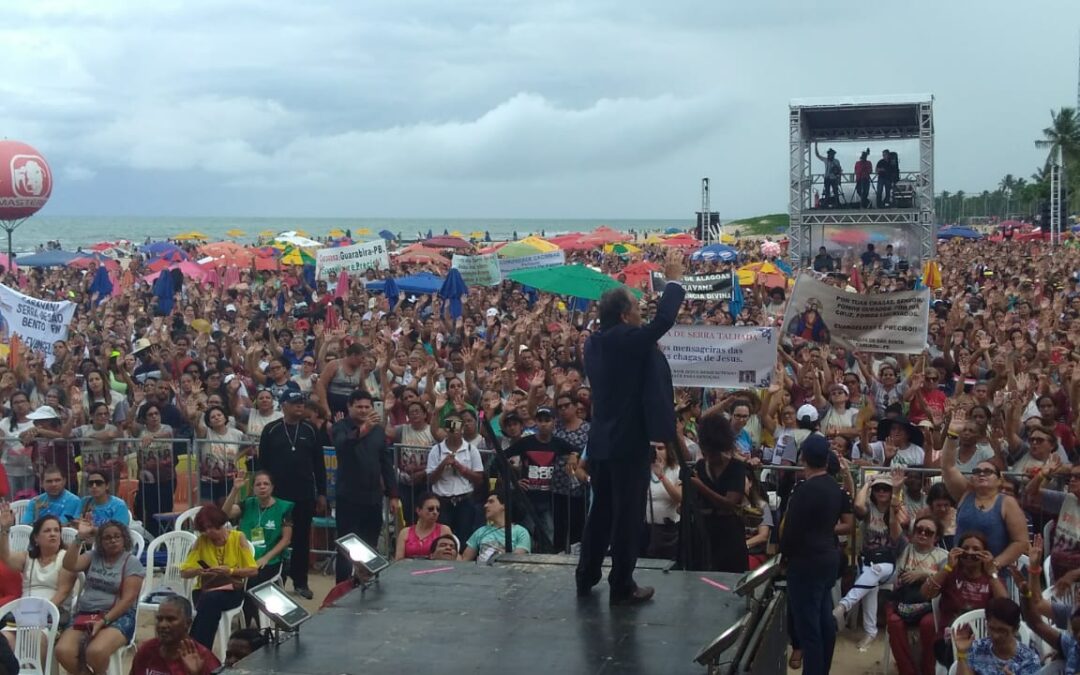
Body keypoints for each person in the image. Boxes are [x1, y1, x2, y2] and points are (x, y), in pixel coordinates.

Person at [576, 251, 684, 606]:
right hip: (628, 443)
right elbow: (665, 319)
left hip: (602, 442)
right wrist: (673, 280)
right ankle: (622, 582)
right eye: (637, 309)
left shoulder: (594, 343)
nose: (642, 314)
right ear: (624, 316)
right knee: (627, 516)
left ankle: (586, 573)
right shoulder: (625, 340)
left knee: (601, 512)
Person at [780, 435, 853, 675]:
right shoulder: (834, 487)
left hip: (805, 562)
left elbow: (791, 531)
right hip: (828, 557)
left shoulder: (805, 490)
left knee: (809, 629)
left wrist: (784, 558)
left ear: (804, 458)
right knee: (823, 622)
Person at [255, 389, 325, 600]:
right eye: (294, 402)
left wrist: (322, 493)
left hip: (304, 495)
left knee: (302, 539)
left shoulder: (311, 429)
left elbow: (319, 465)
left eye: (302, 402)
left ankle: (300, 582)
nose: (300, 406)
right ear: (283, 405)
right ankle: (274, 579)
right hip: (278, 496)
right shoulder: (271, 430)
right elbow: (263, 465)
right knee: (275, 537)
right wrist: (262, 491)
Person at [55, 519, 144, 675]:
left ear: (125, 539)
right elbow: (69, 565)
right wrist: (79, 538)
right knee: (63, 651)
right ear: (100, 542)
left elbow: (128, 600)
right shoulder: (93, 556)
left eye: (117, 536)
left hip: (116, 616)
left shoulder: (132, 562)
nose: (113, 540)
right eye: (107, 538)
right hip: (85, 614)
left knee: (95, 652)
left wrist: (105, 620)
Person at [331, 390, 399, 583]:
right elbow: (341, 445)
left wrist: (393, 494)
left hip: (373, 498)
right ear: (349, 407)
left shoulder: (378, 430)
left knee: (370, 543)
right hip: (348, 498)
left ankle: (369, 581)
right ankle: (343, 586)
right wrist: (362, 430)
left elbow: (386, 463)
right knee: (346, 545)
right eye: (359, 407)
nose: (363, 411)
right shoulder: (340, 427)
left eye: (367, 407)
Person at [941, 425, 1029, 570]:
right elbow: (948, 467)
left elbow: (1020, 542)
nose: (981, 474)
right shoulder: (966, 494)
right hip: (961, 569)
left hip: (992, 573)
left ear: (1000, 480)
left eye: (988, 471)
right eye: (977, 471)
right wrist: (952, 434)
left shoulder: (1007, 503)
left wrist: (995, 564)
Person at [920, 530, 1009, 671]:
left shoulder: (990, 578)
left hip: (985, 639)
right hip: (950, 640)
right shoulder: (951, 573)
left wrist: (992, 572)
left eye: (976, 549)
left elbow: (1006, 608)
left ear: (984, 554)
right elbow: (925, 593)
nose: (970, 552)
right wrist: (948, 567)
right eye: (965, 548)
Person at [834, 471, 903, 651]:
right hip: (867, 561)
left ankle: (844, 605)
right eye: (878, 488)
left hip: (890, 563)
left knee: (874, 572)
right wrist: (868, 482)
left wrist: (894, 504)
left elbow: (896, 538)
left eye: (886, 488)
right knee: (870, 579)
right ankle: (870, 633)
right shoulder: (868, 509)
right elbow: (857, 504)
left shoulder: (897, 509)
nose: (881, 492)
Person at [179, 505, 258, 650]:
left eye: (211, 527)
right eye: (204, 529)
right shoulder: (201, 541)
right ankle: (201, 649)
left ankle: (196, 647)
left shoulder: (238, 538)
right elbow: (184, 572)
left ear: (220, 523)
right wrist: (199, 571)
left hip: (231, 589)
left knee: (209, 601)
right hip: (205, 589)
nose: (208, 532)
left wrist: (231, 571)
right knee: (209, 601)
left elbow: (253, 570)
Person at [503, 406, 578, 552]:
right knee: (526, 532)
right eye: (540, 420)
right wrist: (514, 481)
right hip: (526, 498)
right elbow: (500, 457)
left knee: (549, 531)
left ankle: (547, 562)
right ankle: (523, 561)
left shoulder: (557, 443)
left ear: (554, 422)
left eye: (547, 420)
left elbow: (577, 450)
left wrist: (574, 455)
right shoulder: (526, 442)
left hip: (548, 499)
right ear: (535, 422)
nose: (543, 424)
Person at [223, 470, 293, 626]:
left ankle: (252, 622)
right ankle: (245, 619)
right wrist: (235, 489)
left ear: (272, 487)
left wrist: (266, 558)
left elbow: (286, 540)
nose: (262, 487)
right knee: (230, 579)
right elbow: (224, 514)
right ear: (253, 488)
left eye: (266, 484)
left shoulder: (283, 508)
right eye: (258, 484)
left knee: (251, 582)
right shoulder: (247, 504)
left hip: (271, 559)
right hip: (245, 559)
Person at [884, 514, 947, 675]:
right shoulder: (905, 547)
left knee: (929, 625)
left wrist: (924, 574)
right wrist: (894, 506)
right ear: (913, 533)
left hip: (929, 604)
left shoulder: (943, 556)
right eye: (919, 530)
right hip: (901, 601)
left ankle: (928, 671)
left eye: (928, 532)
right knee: (894, 621)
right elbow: (893, 523)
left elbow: (947, 580)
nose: (923, 534)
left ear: (937, 537)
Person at [0, 507, 76, 634]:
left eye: (56, 530)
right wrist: (4, 529)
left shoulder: (66, 558)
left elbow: (63, 592)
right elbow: (5, 556)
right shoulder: (27, 557)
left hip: (53, 615)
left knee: (34, 636)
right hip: (24, 613)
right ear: (36, 538)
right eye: (47, 531)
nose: (53, 534)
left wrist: (40, 614)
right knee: (5, 639)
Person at [689, 411, 748, 573]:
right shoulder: (700, 466)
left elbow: (730, 503)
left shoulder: (736, 468)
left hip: (729, 532)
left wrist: (700, 486)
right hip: (704, 532)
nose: (710, 457)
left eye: (713, 452)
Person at [425, 414, 483, 547]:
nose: (453, 430)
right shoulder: (437, 450)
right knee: (443, 538)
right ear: (445, 429)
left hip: (464, 501)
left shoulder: (471, 449)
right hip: (442, 501)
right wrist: (443, 465)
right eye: (450, 426)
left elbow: (479, 478)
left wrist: (461, 468)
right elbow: (430, 479)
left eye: (456, 426)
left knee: (464, 538)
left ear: (462, 428)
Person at [1023, 454, 1080, 585]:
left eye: (1078, 477)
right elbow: (1030, 494)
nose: (1072, 480)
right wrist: (1044, 474)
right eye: (1071, 476)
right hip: (1057, 573)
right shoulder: (1067, 499)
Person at [130, 595, 221, 675]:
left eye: (171, 619)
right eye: (159, 619)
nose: (163, 625)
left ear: (188, 623)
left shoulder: (202, 659)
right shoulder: (146, 651)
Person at [951, 597, 1041, 675]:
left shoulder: (1029, 660)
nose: (995, 636)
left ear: (1015, 630)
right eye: (991, 628)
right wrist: (962, 653)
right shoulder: (976, 647)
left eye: (1002, 631)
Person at [462, 492, 531, 562]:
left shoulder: (520, 532)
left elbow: (517, 559)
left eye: (491, 502)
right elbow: (464, 560)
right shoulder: (480, 531)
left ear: (504, 505)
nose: (485, 505)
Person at [645, 441, 682, 561]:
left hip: (668, 530)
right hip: (647, 529)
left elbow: (679, 497)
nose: (656, 452)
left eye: (660, 448)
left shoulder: (676, 470)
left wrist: (661, 476)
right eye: (653, 448)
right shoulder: (643, 470)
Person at [394, 493, 452, 560]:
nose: (435, 512)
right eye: (431, 509)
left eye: (438, 509)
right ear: (418, 510)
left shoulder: (444, 530)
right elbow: (398, 560)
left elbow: (450, 557)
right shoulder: (405, 532)